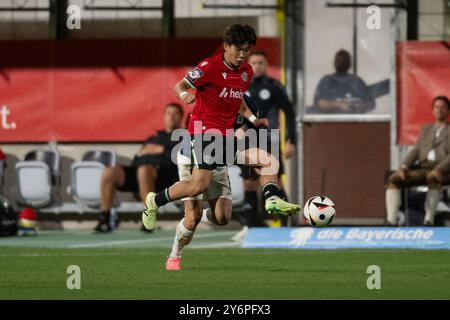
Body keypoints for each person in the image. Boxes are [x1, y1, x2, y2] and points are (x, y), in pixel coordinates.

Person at [141, 24, 301, 269]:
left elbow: (237, 103)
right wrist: (185, 96)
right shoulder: (209, 66)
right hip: (201, 135)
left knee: (227, 212)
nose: (242, 55)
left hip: (225, 139)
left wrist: (252, 119)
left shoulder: (246, 72)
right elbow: (180, 86)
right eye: (238, 49)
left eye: (246, 50)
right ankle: (156, 206)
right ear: (226, 46)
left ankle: (271, 197)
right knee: (198, 190)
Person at [231, 51, 297, 241]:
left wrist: (290, 140)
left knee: (275, 180)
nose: (257, 66)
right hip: (246, 140)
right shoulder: (240, 86)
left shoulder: (274, 87)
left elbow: (290, 114)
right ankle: (249, 228)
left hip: (270, 139)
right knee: (249, 183)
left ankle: (286, 225)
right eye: (254, 62)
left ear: (267, 65)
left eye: (261, 62)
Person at [93, 103, 183, 233]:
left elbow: (177, 160)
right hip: (141, 172)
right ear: (164, 116)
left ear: (181, 117)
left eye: (175, 114)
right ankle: (105, 218)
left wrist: (161, 149)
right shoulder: (154, 137)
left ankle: (148, 218)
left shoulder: (182, 136)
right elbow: (138, 156)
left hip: (165, 176)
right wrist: (146, 152)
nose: (172, 117)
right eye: (169, 113)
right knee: (110, 171)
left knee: (144, 170)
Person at [385, 95, 450, 226]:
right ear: (432, 110)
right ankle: (391, 221)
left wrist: (439, 169)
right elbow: (415, 151)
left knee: (433, 178)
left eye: (443, 107)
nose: (439, 110)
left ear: (448, 110)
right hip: (423, 167)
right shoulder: (426, 129)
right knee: (394, 179)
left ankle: (428, 220)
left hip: (444, 170)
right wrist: (403, 167)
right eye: (436, 107)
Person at [312, 49, 375, 114]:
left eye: (344, 61)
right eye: (339, 60)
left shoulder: (357, 82)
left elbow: (371, 103)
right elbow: (319, 103)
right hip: (332, 122)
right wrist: (338, 105)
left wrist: (360, 105)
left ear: (349, 64)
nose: (341, 63)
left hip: (354, 122)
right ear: (335, 63)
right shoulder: (326, 81)